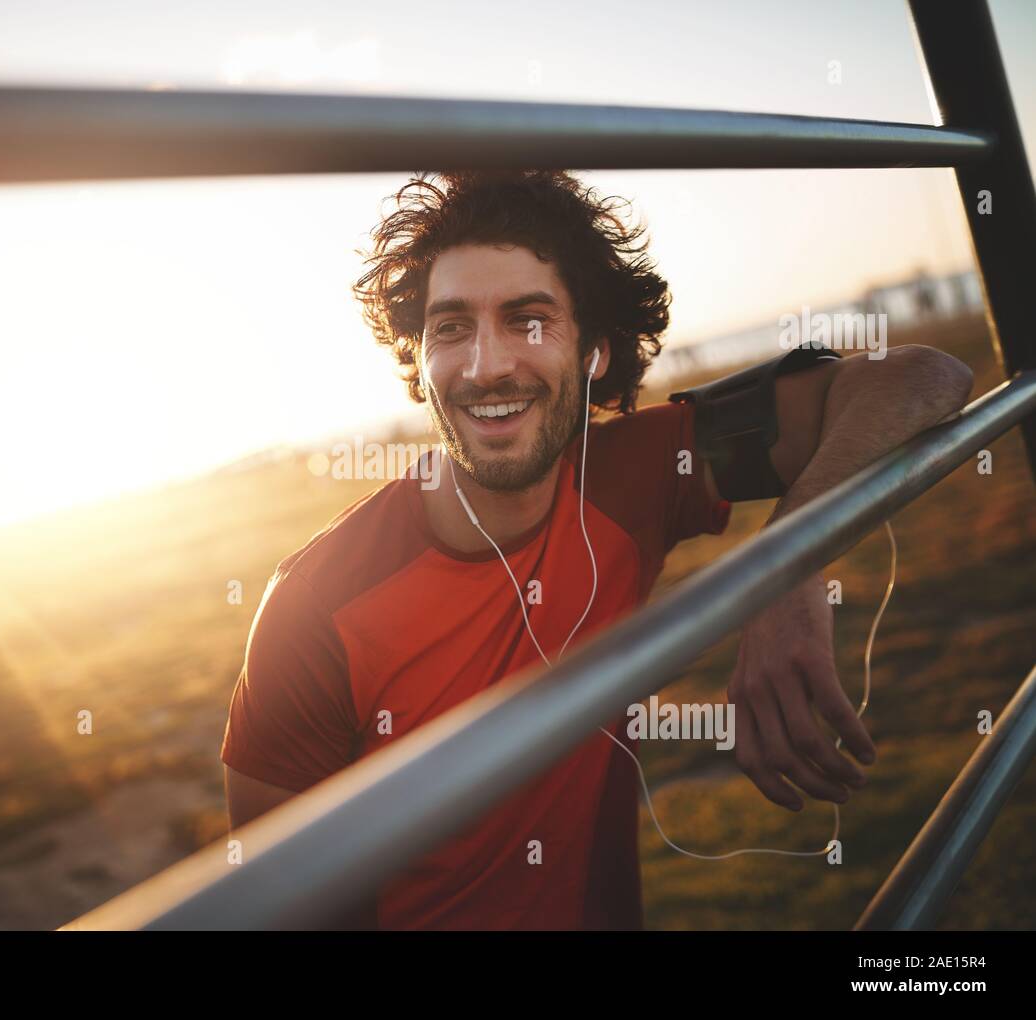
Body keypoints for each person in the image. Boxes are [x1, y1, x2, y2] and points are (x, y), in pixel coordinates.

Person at [219, 170, 974, 930]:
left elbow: (923, 379)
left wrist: (786, 564)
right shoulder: (313, 607)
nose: (486, 365)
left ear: (597, 352)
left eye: (528, 319)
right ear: (418, 360)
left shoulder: (635, 475)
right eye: (450, 327)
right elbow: (265, 899)